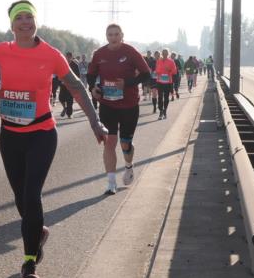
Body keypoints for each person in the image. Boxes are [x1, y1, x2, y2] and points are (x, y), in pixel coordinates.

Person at [0, 2, 106, 278]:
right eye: (19, 18)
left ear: (36, 22)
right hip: (10, 134)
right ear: (12, 25)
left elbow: (76, 86)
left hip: (41, 134)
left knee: (31, 194)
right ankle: (38, 231)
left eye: (30, 17)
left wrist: (95, 121)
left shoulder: (51, 54)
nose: (25, 22)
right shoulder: (0, 51)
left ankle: (29, 262)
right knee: (19, 196)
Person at [87, 24, 151, 195]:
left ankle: (129, 166)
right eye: (110, 34)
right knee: (109, 142)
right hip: (108, 105)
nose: (113, 37)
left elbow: (146, 74)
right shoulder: (99, 54)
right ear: (106, 36)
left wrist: (127, 84)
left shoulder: (131, 52)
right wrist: (92, 88)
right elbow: (91, 75)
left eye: (116, 34)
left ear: (122, 35)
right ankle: (111, 182)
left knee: (125, 143)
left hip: (129, 105)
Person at [154, 48, 177, 119]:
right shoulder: (158, 61)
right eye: (163, 53)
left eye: (166, 53)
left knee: (166, 97)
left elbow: (174, 71)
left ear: (168, 54)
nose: (164, 54)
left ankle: (165, 111)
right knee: (160, 97)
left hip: (168, 82)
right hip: (159, 81)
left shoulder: (171, 61)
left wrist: (169, 71)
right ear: (162, 54)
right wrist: (157, 73)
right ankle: (161, 111)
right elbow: (156, 70)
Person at [57, 50, 80, 118]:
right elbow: (59, 72)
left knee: (69, 100)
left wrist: (74, 83)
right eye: (67, 57)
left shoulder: (75, 65)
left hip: (71, 85)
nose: (68, 58)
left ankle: (69, 114)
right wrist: (59, 80)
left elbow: (78, 75)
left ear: (71, 57)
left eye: (69, 57)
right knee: (61, 98)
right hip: (63, 84)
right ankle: (65, 108)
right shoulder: (63, 63)